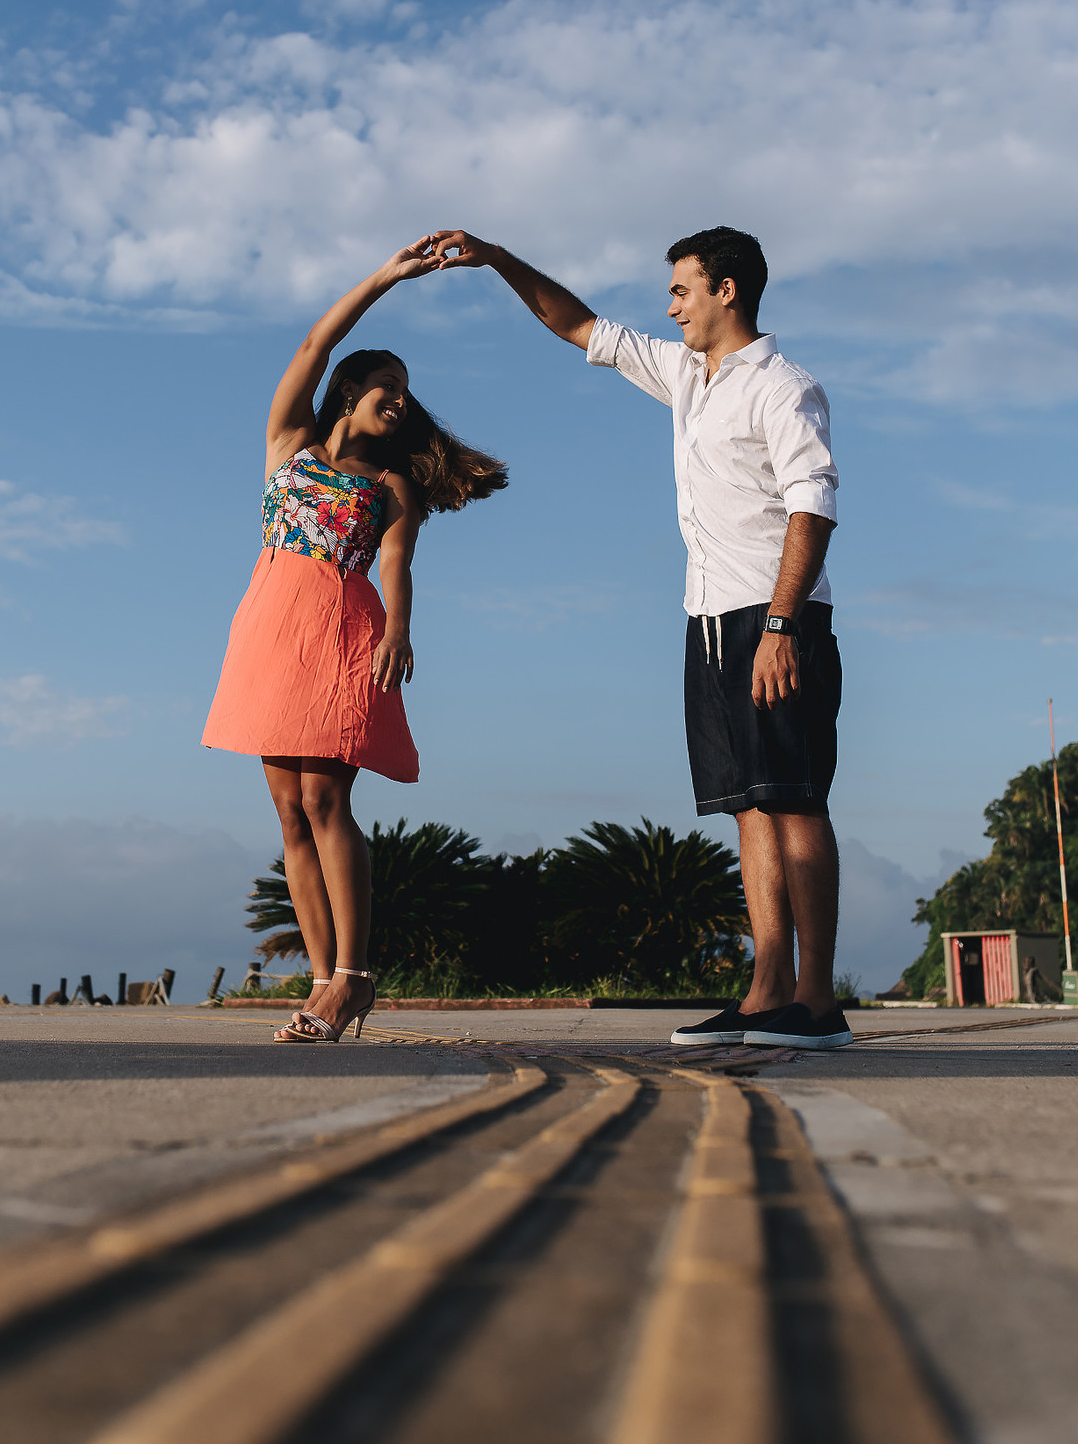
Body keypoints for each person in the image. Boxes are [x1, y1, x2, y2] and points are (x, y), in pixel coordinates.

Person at [430, 225, 851, 1050]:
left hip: (775, 615)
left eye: (680, 291)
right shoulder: (688, 375)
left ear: (726, 290)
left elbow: (813, 505)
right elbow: (575, 324)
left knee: (794, 798)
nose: (670, 308)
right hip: (708, 617)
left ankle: (817, 1001)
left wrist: (780, 624)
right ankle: (766, 995)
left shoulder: (783, 387)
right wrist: (497, 259)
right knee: (748, 808)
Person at [203, 237, 508, 1044]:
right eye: (387, 387)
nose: (400, 402)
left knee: (324, 798)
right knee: (287, 813)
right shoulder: (288, 444)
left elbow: (398, 564)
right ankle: (320, 980)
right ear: (349, 390)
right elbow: (315, 341)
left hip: (344, 631)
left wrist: (399, 630)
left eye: (407, 394)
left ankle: (354, 976)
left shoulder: (391, 483)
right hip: (269, 630)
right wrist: (385, 277)